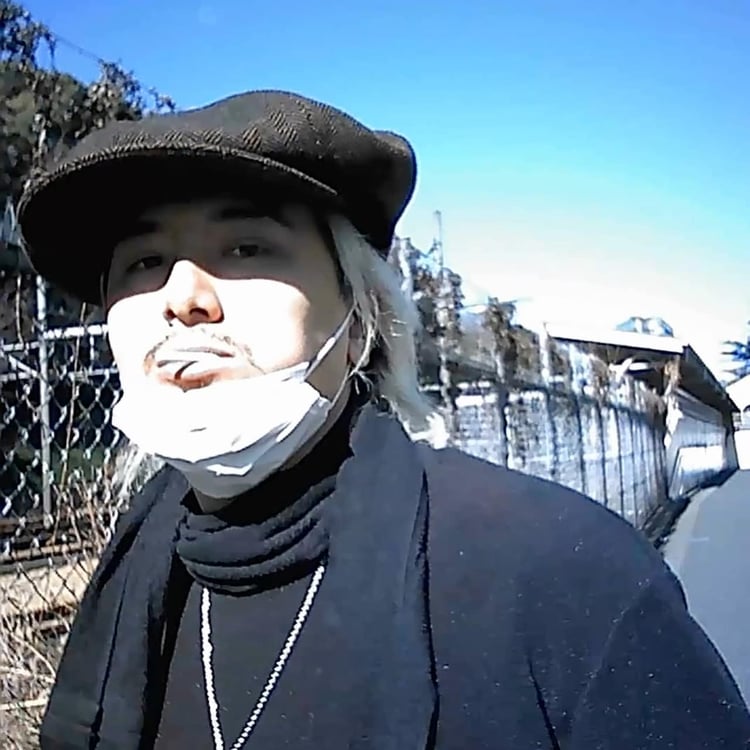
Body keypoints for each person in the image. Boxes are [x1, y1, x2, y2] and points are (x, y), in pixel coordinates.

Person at [18, 89, 750, 750]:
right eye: (144, 261)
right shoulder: (127, 590)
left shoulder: (567, 576)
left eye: (245, 248)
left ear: (360, 320)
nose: (183, 297)